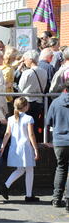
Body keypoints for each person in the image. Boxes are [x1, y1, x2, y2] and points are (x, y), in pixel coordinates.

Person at [0, 97, 40, 202]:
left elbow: (7, 134)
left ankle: (6, 185)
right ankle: (28, 195)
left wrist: (3, 146)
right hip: (25, 147)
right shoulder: (29, 118)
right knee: (29, 169)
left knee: (21, 169)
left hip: (15, 147)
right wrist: (35, 148)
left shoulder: (11, 119)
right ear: (26, 106)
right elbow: (31, 134)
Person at [46, 79, 69, 212]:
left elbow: (48, 121)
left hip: (60, 141)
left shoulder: (55, 102)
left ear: (64, 90)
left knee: (61, 168)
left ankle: (56, 198)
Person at [18, 50, 48, 142]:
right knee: (34, 123)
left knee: (25, 125)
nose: (24, 61)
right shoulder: (44, 71)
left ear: (30, 59)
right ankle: (35, 142)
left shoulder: (27, 73)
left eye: (25, 59)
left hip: (27, 102)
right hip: (39, 101)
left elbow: (20, 88)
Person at [0, 46, 18, 115]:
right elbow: (6, 84)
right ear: (12, 57)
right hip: (8, 97)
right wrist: (10, 84)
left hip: (1, 96)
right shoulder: (9, 69)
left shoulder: (1, 66)